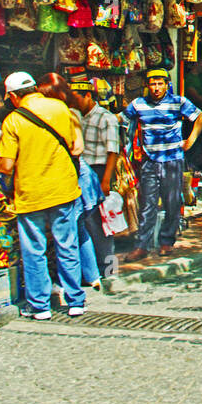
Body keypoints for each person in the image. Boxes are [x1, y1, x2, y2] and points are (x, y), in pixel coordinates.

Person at [0, 71, 84, 321]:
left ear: (12, 96)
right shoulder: (60, 107)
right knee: (67, 244)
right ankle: (76, 300)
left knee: (34, 249)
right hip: (63, 187)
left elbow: (6, 166)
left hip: (31, 192)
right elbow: (77, 147)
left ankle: (40, 305)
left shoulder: (12, 121)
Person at [121, 69, 202, 262]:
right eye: (153, 84)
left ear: (166, 84)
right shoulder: (139, 104)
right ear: (147, 86)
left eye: (160, 84)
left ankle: (167, 240)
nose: (156, 88)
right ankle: (142, 246)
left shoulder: (178, 102)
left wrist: (190, 140)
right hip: (149, 161)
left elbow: (200, 118)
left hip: (172, 160)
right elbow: (121, 119)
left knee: (172, 202)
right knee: (147, 205)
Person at [38, 74, 100, 291]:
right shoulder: (70, 112)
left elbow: (77, 148)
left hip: (72, 176)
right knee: (79, 228)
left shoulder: (66, 113)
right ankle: (92, 275)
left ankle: (70, 285)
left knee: (68, 233)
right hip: (80, 174)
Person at [72, 77, 121, 278]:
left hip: (99, 172)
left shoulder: (105, 118)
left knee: (102, 225)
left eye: (76, 99)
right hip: (82, 172)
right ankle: (91, 270)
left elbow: (113, 151)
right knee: (85, 223)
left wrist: (106, 180)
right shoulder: (75, 116)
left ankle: (109, 268)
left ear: (88, 96)